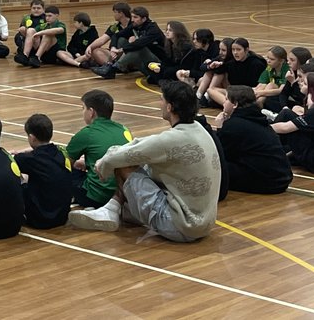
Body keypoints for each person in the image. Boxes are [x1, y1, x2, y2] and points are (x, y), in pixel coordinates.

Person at [68, 80, 220, 242]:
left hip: (181, 226)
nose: (159, 103)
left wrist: (102, 166)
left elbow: (119, 155)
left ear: (170, 107)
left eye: (161, 99)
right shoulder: (200, 130)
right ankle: (117, 208)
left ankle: (112, 210)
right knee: (144, 165)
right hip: (206, 223)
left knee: (124, 164)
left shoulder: (172, 139)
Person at [214, 85, 292, 194]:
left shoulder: (234, 125)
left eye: (226, 99)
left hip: (268, 182)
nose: (224, 102)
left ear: (235, 104)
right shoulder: (258, 119)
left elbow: (221, 153)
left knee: (213, 165)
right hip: (282, 177)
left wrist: (220, 127)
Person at [65, 89, 133, 208]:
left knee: (61, 170)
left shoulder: (87, 133)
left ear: (91, 112)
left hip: (96, 197)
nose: (82, 112)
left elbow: (65, 164)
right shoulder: (124, 129)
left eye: (83, 108)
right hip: (123, 195)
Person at [13, 114, 73, 228]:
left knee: (17, 177)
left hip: (40, 219)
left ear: (32, 137)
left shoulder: (30, 159)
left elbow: (10, 163)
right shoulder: (61, 153)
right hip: (62, 216)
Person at [93, 6, 165, 79]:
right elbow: (116, 35)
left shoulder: (153, 29)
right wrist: (113, 47)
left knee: (139, 48)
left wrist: (121, 50)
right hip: (144, 63)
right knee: (122, 40)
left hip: (158, 65)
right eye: (132, 17)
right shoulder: (135, 25)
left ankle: (113, 69)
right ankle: (112, 66)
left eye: (135, 17)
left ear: (144, 19)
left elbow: (139, 44)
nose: (132, 20)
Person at [205, 37, 266, 107]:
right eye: (233, 50)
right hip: (235, 92)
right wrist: (214, 65)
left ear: (246, 50)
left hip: (251, 92)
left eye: (238, 50)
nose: (235, 52)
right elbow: (210, 69)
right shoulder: (231, 63)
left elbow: (260, 84)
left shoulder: (256, 64)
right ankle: (230, 106)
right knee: (210, 90)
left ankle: (231, 106)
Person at [87, 2, 132, 67]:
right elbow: (103, 39)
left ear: (121, 13)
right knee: (95, 51)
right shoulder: (115, 27)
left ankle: (118, 66)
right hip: (115, 53)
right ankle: (111, 67)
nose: (113, 15)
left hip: (127, 52)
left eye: (115, 12)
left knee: (121, 40)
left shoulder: (133, 25)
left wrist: (119, 50)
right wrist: (90, 47)